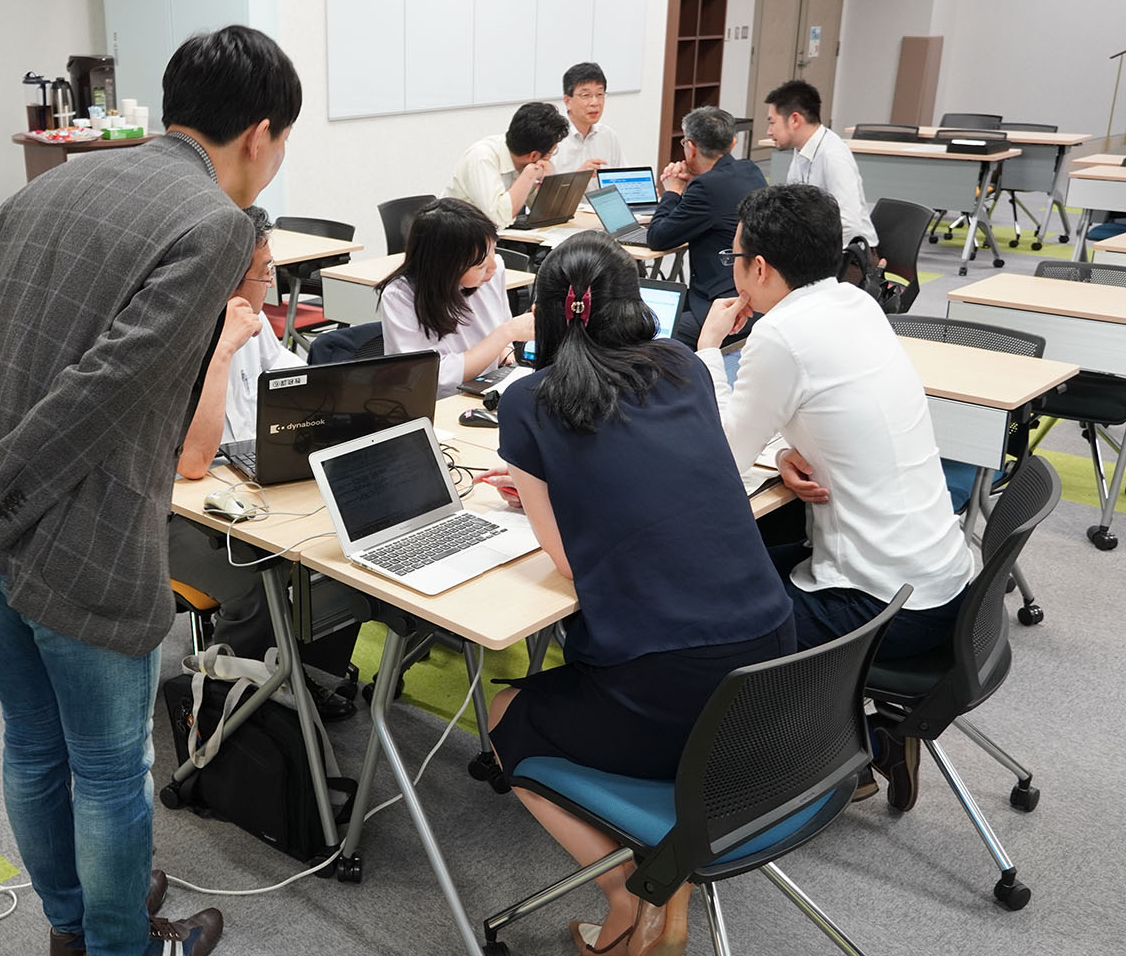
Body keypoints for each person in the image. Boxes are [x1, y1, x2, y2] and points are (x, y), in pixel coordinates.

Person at [0, 25, 301, 956]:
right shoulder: (216, 223)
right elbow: (110, 387)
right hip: (77, 537)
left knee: (34, 741)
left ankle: (74, 926)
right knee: (109, 772)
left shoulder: (51, 181)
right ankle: (120, 945)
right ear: (260, 133)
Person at [483, 231, 795, 956]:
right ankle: (652, 873)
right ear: (633, 304)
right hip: (774, 673)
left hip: (673, 689)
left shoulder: (528, 401)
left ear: (547, 312)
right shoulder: (683, 365)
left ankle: (631, 894)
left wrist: (541, 496)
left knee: (506, 716)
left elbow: (569, 563)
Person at [695, 184, 973, 812]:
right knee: (751, 559)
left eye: (733, 258)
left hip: (882, 606)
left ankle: (844, 748)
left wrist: (709, 351)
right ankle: (860, 747)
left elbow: (720, 461)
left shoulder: (778, 335)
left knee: (706, 611)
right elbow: (830, 412)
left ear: (758, 268)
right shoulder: (855, 302)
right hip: (943, 582)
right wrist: (789, 452)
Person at [169, 205, 357, 721]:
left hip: (247, 486)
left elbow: (288, 375)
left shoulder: (254, 326)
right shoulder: (177, 337)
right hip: (175, 512)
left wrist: (345, 398)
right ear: (227, 282)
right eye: (264, 270)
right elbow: (193, 462)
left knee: (338, 552)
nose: (272, 279)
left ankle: (299, 676)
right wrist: (223, 352)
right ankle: (232, 706)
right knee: (254, 588)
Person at [377, 197, 535, 397]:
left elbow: (499, 329)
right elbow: (433, 376)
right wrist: (505, 334)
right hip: (437, 402)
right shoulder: (400, 296)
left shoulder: (492, 272)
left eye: (493, 251)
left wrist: (504, 351)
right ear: (445, 267)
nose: (493, 267)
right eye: (480, 265)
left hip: (482, 391)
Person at [644, 106, 766, 348]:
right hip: (758, 297)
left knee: (651, 331)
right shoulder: (749, 169)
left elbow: (657, 238)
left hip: (725, 305)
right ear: (732, 143)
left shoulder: (706, 188)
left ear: (691, 147)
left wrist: (673, 191)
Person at [763, 79, 878, 249]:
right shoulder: (801, 149)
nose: (769, 131)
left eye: (772, 122)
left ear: (795, 120)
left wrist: (810, 255)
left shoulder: (833, 155)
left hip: (851, 254)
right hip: (817, 244)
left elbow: (849, 226)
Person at [443, 101, 570, 228]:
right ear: (533, 155)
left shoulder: (525, 156)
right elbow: (497, 220)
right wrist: (530, 175)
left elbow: (547, 213)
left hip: (488, 233)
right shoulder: (482, 158)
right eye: (550, 153)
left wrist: (547, 182)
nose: (549, 158)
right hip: (457, 232)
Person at [550, 62, 623, 179]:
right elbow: (543, 189)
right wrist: (577, 178)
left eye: (599, 94)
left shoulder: (609, 136)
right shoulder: (553, 138)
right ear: (568, 101)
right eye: (585, 95)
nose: (595, 102)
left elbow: (621, 179)